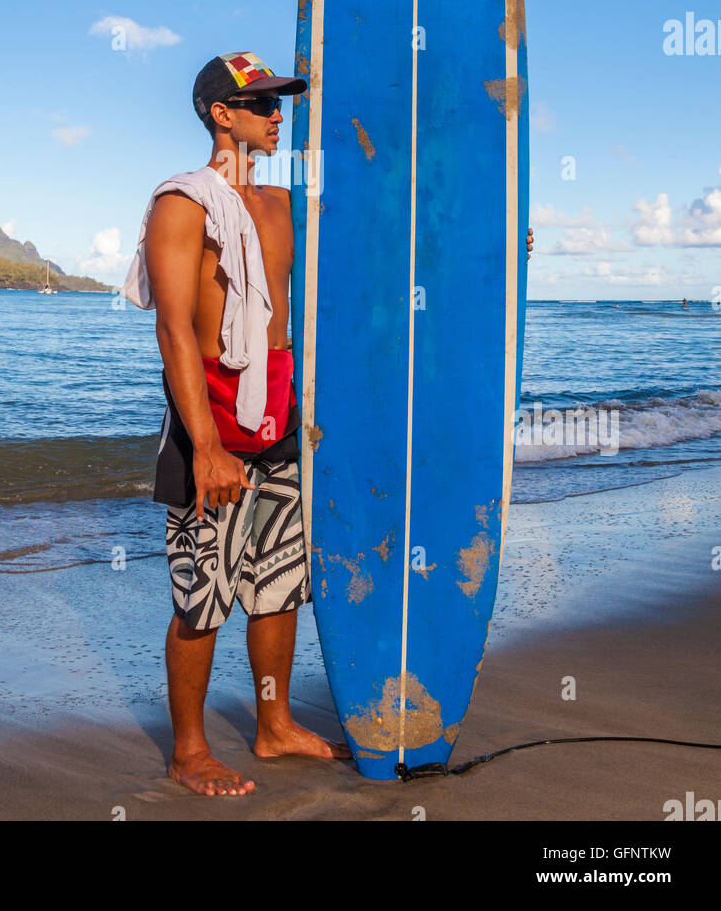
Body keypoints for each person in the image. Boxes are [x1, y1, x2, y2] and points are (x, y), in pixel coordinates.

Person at [124, 50, 535, 797]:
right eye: (261, 106)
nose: (277, 117)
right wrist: (208, 448)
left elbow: (380, 266)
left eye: (280, 105)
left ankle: (273, 726)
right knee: (202, 593)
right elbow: (176, 331)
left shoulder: (284, 205)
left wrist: (493, 248)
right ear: (221, 114)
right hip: (211, 418)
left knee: (279, 584)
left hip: (281, 411)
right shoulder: (181, 204)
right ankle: (188, 751)